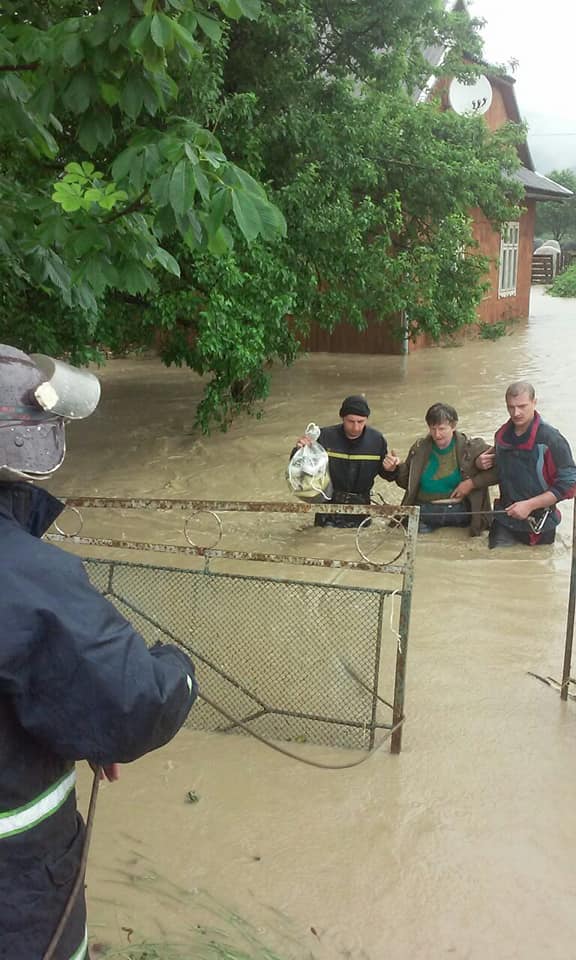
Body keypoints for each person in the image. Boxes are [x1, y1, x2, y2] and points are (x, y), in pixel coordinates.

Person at [0, 345, 197, 960]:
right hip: (18, 896)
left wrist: (72, 724)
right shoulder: (28, 577)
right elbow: (138, 702)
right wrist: (179, 670)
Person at [487, 381, 576, 548]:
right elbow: (498, 472)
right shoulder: (501, 436)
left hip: (540, 523)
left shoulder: (552, 440)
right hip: (504, 518)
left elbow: (569, 485)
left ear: (535, 402)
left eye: (522, 406)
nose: (516, 412)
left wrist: (529, 505)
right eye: (511, 407)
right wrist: (478, 468)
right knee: (495, 564)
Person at [292, 395, 397, 527]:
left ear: (367, 419)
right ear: (342, 418)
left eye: (361, 422)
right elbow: (299, 467)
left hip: (361, 508)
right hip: (328, 507)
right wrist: (299, 450)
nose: (356, 427)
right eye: (351, 421)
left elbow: (385, 473)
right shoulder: (324, 437)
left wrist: (392, 469)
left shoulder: (376, 440)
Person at [390, 403, 495, 535]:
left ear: (453, 425)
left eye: (442, 428)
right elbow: (408, 484)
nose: (437, 434)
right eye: (432, 429)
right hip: (425, 513)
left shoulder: (472, 448)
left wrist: (472, 482)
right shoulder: (418, 449)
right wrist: (396, 468)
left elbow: (500, 470)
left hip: (462, 513)